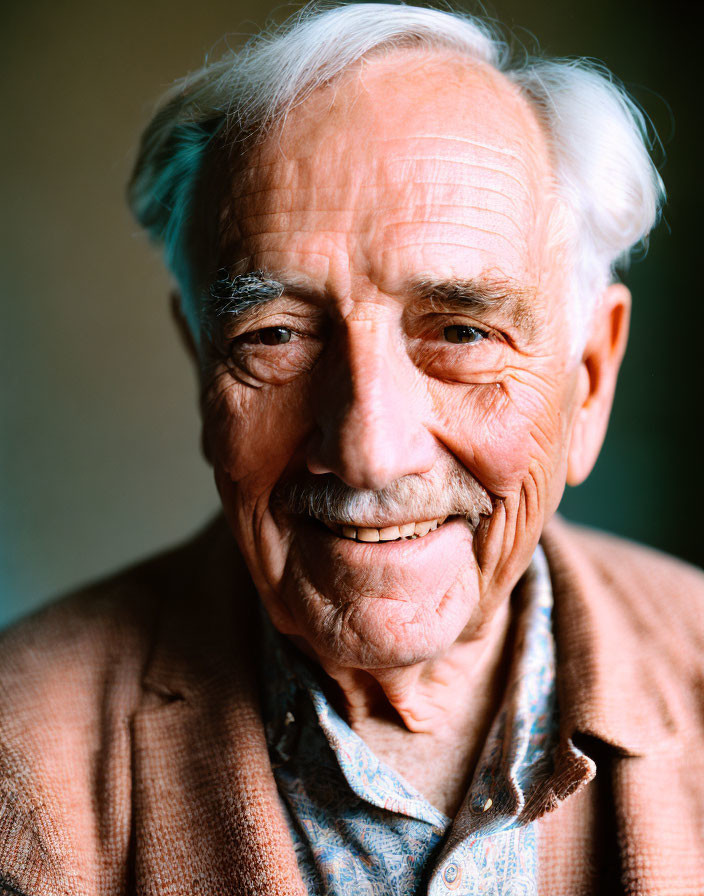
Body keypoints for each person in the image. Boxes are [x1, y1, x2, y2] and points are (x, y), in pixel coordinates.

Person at [1, 4, 702, 894]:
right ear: (202, 366)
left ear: (590, 378)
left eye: (460, 331)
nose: (372, 451)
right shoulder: (17, 765)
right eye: (275, 336)